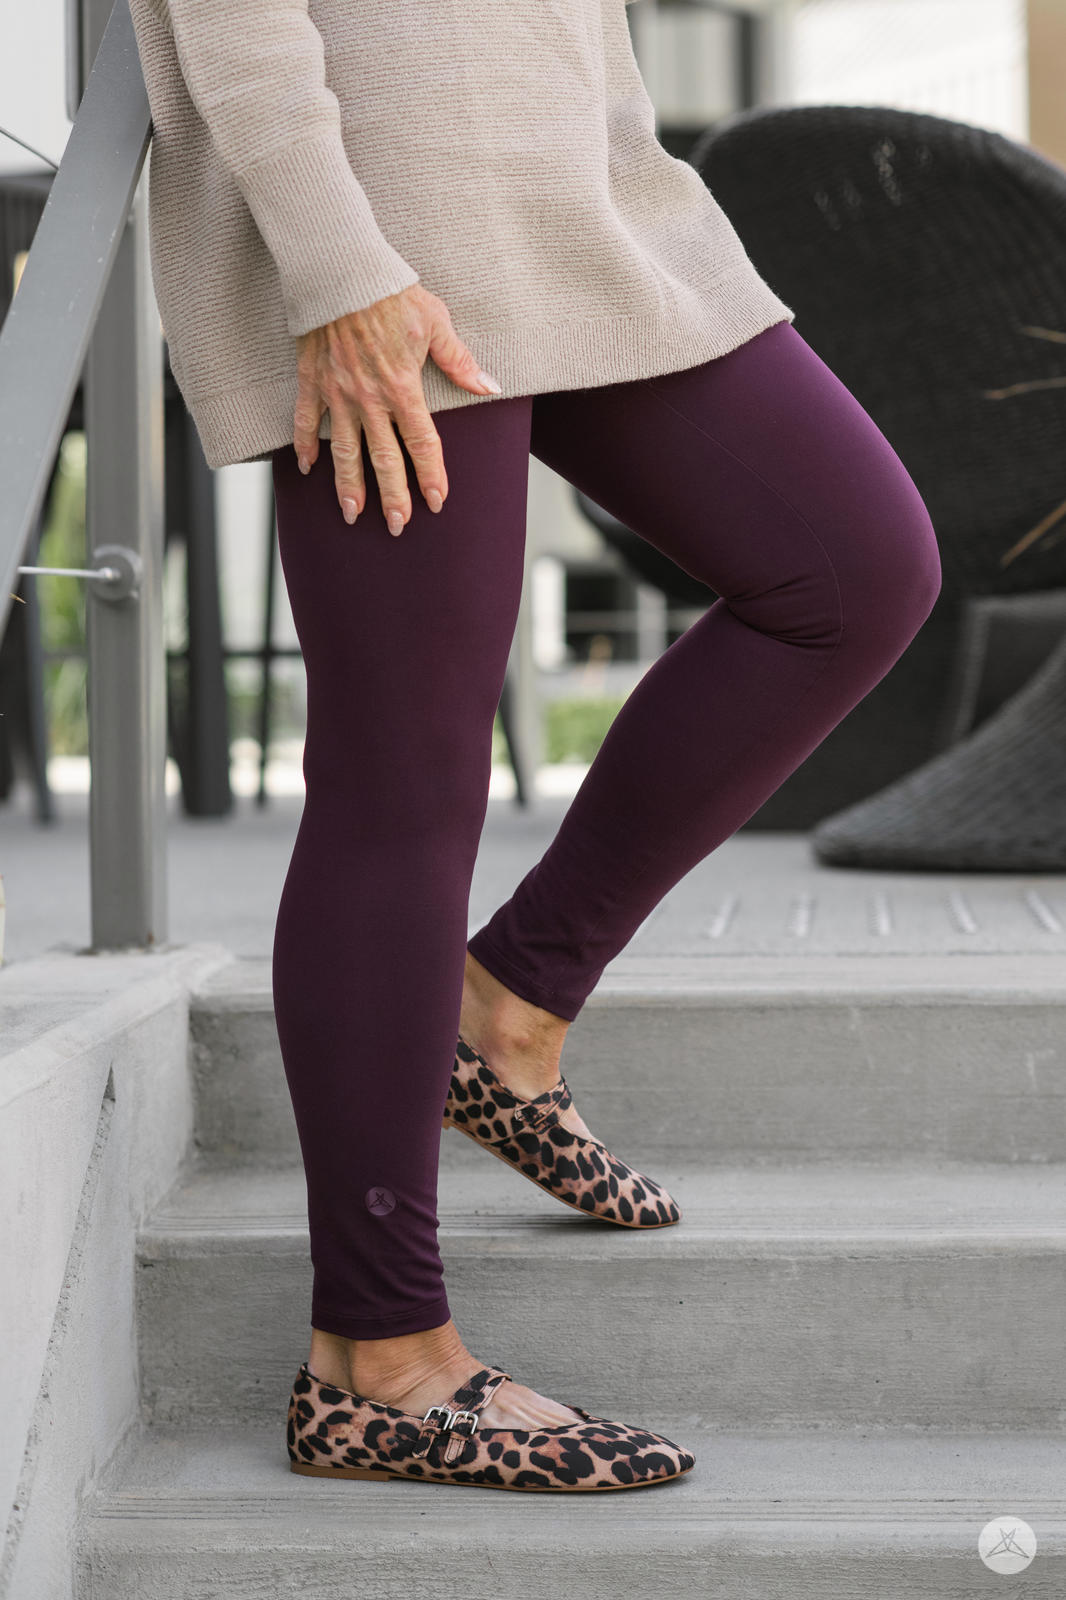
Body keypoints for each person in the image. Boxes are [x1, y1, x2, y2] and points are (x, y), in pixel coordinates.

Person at [128, 0, 942, 1492]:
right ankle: (379, 1362)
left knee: (852, 567)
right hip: (378, 218)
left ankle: (507, 1006)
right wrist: (333, 260)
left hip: (576, 178)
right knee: (405, 770)